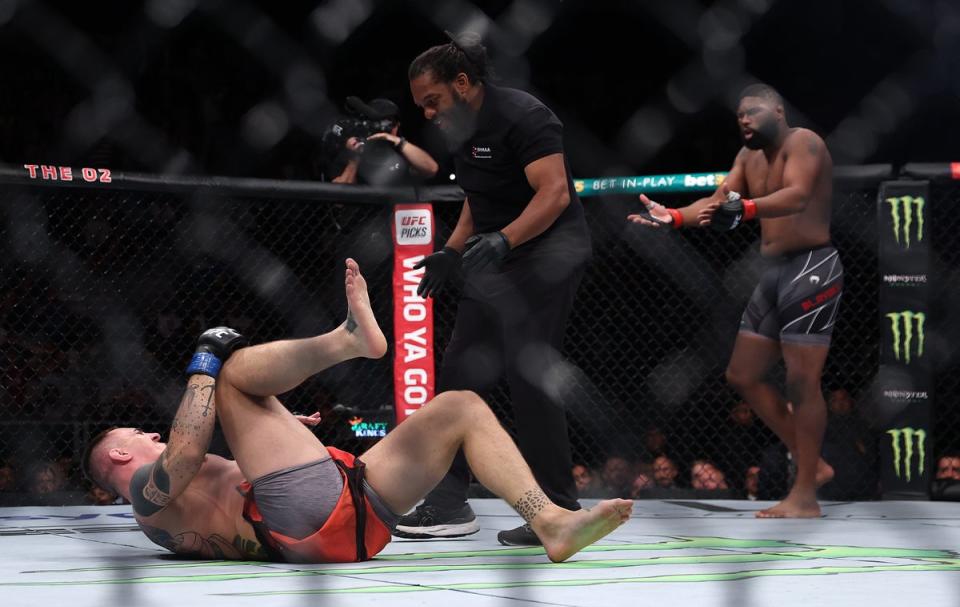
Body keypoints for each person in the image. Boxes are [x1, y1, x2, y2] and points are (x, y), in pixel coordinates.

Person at [81, 259, 631, 564]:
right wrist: (203, 364)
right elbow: (185, 449)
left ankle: (550, 521)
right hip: (303, 521)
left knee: (460, 407)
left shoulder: (177, 504)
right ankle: (346, 339)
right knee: (230, 374)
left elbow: (204, 454)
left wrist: (277, 424)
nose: (147, 429)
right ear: (121, 453)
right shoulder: (144, 499)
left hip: (352, 517)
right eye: (134, 431)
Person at [400, 32, 592, 546]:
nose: (428, 113)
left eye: (433, 100)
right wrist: (452, 250)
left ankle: (557, 507)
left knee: (529, 374)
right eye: (421, 105)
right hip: (497, 252)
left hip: (549, 253)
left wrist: (505, 240)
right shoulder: (459, 128)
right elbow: (477, 197)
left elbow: (554, 192)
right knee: (460, 375)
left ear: (463, 83)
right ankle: (447, 503)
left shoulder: (524, 116)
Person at [629, 83, 839, 518]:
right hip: (771, 272)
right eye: (739, 114)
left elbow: (796, 195)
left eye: (753, 111)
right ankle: (812, 463)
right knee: (742, 374)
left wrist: (742, 210)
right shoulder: (747, 158)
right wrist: (674, 217)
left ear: (778, 110)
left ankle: (804, 496)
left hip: (811, 266)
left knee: (802, 382)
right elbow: (717, 200)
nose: (744, 119)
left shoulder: (805, 143)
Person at [323, 96, 438, 184]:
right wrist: (355, 159)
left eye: (390, 123)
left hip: (397, 212)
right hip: (363, 214)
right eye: (378, 124)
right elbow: (340, 201)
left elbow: (431, 169)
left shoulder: (403, 152)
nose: (384, 128)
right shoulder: (351, 153)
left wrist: (398, 142)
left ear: (397, 125)